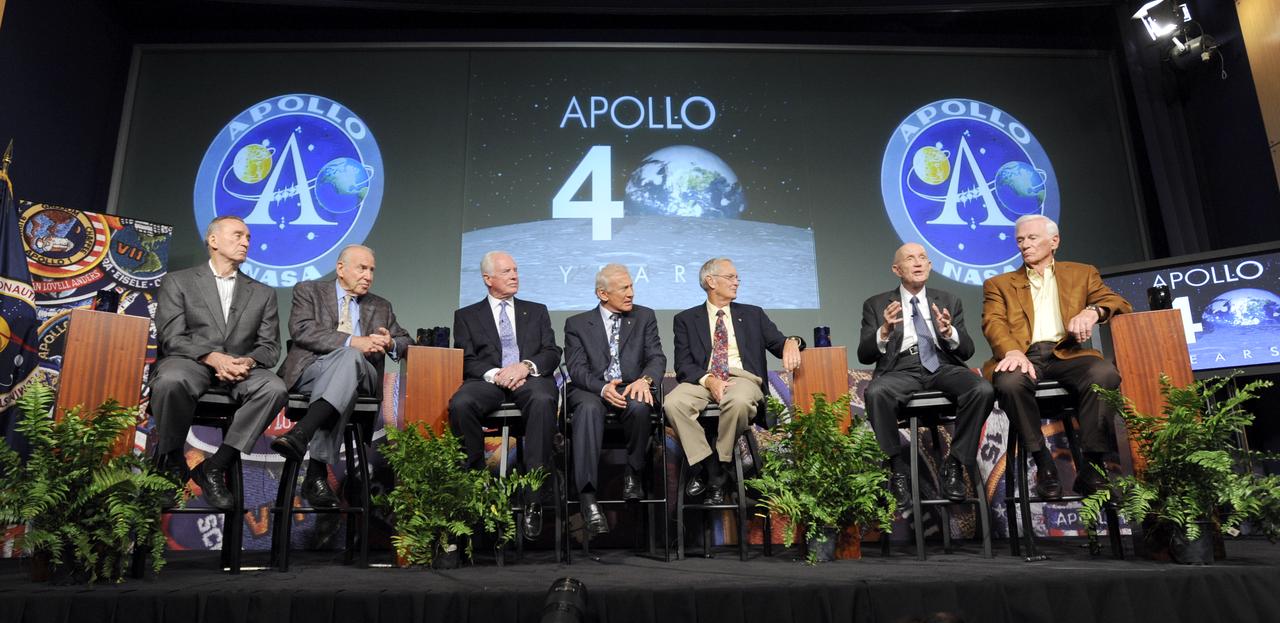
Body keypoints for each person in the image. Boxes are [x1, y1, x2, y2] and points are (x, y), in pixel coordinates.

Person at [981, 214, 1132, 499]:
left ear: (1054, 241)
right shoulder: (998, 284)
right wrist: (1012, 351)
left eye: (1032, 238)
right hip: (1024, 354)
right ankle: (1043, 463)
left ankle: (1092, 465)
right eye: (1020, 240)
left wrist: (1093, 311)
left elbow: (1119, 303)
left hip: (1069, 353)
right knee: (1010, 381)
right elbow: (994, 322)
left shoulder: (1081, 273)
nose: (1025, 245)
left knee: (1104, 374)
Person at [149, 215, 289, 510]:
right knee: (171, 380)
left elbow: (270, 347)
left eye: (248, 237)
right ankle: (172, 461)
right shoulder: (179, 281)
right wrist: (213, 358)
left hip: (240, 369)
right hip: (192, 362)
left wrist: (247, 362)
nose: (245, 242)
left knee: (274, 389)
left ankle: (215, 466)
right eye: (238, 235)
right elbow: (171, 337)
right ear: (213, 241)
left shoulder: (263, 293)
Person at [273, 244, 411, 507]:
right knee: (346, 363)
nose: (368, 275)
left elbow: (407, 341)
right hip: (313, 370)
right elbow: (302, 330)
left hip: (364, 377)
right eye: (362, 268)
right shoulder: (309, 291)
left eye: (372, 270)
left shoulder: (381, 306)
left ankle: (302, 433)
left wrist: (391, 342)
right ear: (340, 269)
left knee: (350, 360)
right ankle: (316, 474)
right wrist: (352, 341)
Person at [857, 243, 994, 506]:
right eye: (910, 259)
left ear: (930, 266)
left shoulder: (949, 300)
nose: (918, 263)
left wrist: (948, 333)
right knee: (876, 392)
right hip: (901, 368)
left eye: (923, 258)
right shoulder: (875, 305)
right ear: (897, 269)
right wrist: (884, 331)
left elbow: (966, 350)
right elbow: (865, 354)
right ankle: (896, 469)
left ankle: (954, 464)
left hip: (942, 365)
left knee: (982, 390)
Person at [665, 257, 803, 505]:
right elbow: (683, 365)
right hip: (703, 380)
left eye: (737, 277)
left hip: (742, 378)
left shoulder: (753, 314)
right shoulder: (685, 319)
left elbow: (780, 344)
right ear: (710, 281)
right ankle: (714, 470)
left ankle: (720, 462)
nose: (737, 282)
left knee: (738, 402)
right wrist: (709, 381)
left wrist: (794, 341)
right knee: (673, 403)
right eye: (731, 277)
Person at [448, 251, 562, 538]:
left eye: (515, 270)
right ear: (488, 279)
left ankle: (534, 495)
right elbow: (466, 360)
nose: (514, 276)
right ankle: (475, 485)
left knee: (543, 399)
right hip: (489, 381)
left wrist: (524, 367)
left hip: (529, 379)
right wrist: (497, 374)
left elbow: (551, 352)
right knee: (461, 403)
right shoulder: (466, 316)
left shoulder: (536, 311)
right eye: (507, 271)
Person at [562, 264, 666, 535]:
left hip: (632, 384)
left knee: (641, 405)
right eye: (624, 288)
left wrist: (646, 380)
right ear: (603, 294)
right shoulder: (577, 324)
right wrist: (602, 388)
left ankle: (633, 474)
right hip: (591, 388)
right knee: (586, 409)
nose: (631, 293)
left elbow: (656, 357)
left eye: (631, 286)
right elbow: (576, 369)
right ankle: (587, 498)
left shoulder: (644, 317)